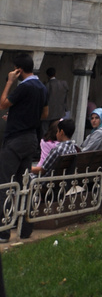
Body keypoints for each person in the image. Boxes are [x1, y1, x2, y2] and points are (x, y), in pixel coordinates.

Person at [0, 53, 48, 240]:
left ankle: (3, 229)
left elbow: (3, 104)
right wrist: (21, 116)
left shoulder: (23, 86)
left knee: (4, 184)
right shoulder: (42, 87)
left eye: (14, 69)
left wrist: (9, 82)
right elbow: (45, 113)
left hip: (15, 140)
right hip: (30, 139)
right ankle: (25, 228)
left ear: (19, 70)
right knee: (23, 184)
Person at [43, 68, 69, 134]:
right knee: (56, 130)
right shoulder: (63, 84)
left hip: (48, 113)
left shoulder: (47, 85)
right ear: (55, 74)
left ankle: (44, 143)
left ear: (47, 75)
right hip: (60, 112)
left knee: (45, 131)